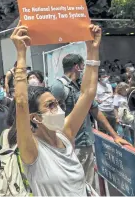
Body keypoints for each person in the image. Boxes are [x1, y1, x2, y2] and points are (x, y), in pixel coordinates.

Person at [12, 23, 103, 196]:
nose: (59, 108)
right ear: (35, 118)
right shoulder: (31, 150)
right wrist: (21, 54)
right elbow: (22, 102)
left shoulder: (65, 134)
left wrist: (92, 50)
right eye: (50, 106)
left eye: (57, 103)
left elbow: (88, 93)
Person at [51, 52, 130, 188]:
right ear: (77, 67)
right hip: (70, 145)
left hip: (86, 143)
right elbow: (50, 116)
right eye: (82, 65)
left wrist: (115, 135)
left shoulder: (82, 86)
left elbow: (95, 110)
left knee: (88, 184)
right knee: (73, 186)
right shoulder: (59, 87)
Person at [96, 68, 117, 133]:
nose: (106, 78)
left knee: (113, 129)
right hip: (102, 110)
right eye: (104, 76)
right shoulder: (96, 86)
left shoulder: (109, 85)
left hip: (111, 109)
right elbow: (96, 99)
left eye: (106, 76)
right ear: (99, 78)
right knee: (103, 129)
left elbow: (112, 95)